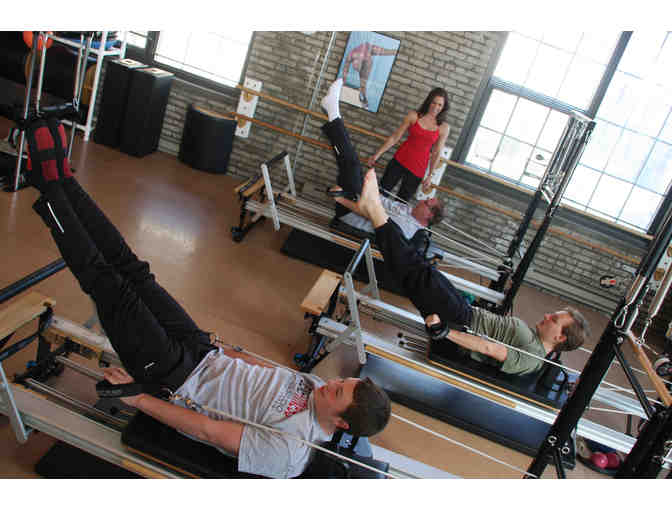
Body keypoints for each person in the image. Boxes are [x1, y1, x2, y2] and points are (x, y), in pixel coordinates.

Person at [23, 116, 391, 479]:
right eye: (341, 382)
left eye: (337, 393)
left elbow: (208, 431)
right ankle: (65, 181)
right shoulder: (316, 391)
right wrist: (225, 349)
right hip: (203, 350)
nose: (330, 384)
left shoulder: (289, 451)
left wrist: (138, 399)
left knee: (111, 286)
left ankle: (48, 187)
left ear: (341, 423)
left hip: (176, 379)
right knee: (134, 269)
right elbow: (262, 371)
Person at [352, 166, 591, 376]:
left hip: (459, 320)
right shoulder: (534, 340)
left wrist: (445, 332)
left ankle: (374, 208)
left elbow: (490, 348)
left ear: (560, 338)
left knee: (412, 268)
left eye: (554, 320)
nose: (547, 315)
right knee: (416, 265)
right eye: (552, 314)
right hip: (465, 311)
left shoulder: (532, 358)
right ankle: (372, 210)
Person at [321, 78, 444, 244]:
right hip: (396, 164)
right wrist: (369, 177)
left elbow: (371, 213)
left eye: (426, 202)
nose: (421, 200)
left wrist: (340, 198)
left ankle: (333, 112)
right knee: (353, 166)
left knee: (351, 165)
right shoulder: (408, 210)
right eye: (434, 103)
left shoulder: (406, 227)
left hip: (354, 208)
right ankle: (332, 113)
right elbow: (395, 138)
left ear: (429, 214)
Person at [368, 87, 451, 202]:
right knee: (380, 194)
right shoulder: (414, 116)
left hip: (417, 170)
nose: (435, 107)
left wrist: (430, 176)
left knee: (401, 203)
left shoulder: (444, 128)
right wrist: (377, 155)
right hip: (399, 161)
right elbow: (395, 137)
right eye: (434, 102)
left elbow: (436, 153)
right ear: (429, 101)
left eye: (439, 105)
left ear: (443, 107)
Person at [340, 42, 398, 108]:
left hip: (367, 51)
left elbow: (383, 52)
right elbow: (345, 70)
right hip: (364, 52)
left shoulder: (367, 57)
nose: (359, 71)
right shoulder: (350, 56)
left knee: (386, 52)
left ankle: (364, 98)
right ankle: (365, 98)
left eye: (360, 69)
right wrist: (343, 82)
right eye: (359, 69)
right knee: (363, 83)